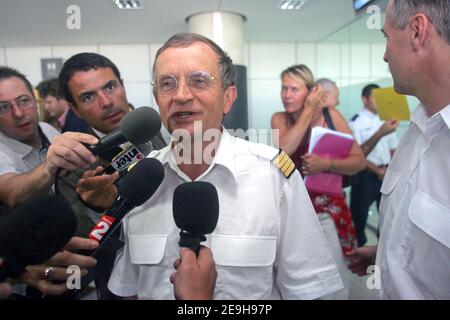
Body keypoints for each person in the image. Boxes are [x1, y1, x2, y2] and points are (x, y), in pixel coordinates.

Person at [95, 33, 343, 300]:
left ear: (228, 97)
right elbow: (130, 289)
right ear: (157, 98)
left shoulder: (273, 177)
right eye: (167, 83)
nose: (180, 95)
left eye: (199, 80)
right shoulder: (142, 181)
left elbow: (309, 292)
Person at [348, 0, 450, 299]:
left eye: (386, 37)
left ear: (417, 31)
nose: (385, 54)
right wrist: (387, 255)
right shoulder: (417, 131)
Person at [57, 52, 167, 299]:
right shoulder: (74, 162)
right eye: (88, 96)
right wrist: (100, 208)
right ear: (74, 108)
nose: (106, 101)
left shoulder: (160, 123)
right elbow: (86, 242)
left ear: (122, 84)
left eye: (110, 86)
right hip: (119, 276)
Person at [0, 66, 100, 298]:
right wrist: (49, 165)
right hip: (21, 283)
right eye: (3, 107)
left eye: (23, 101)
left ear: (35, 101)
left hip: (71, 263)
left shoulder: (48, 130)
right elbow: (11, 192)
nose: (18, 113)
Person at [271, 72, 365, 299]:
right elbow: (283, 150)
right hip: (291, 213)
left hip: (327, 213)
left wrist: (327, 164)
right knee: (296, 278)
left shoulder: (331, 115)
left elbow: (358, 161)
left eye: (294, 89)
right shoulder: (280, 119)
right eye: (284, 88)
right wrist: (308, 112)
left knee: (335, 279)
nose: (287, 95)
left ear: (311, 92)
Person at [348, 84, 399, 246]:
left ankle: (381, 247)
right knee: (359, 216)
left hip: (387, 174)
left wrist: (391, 170)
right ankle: (359, 247)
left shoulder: (386, 119)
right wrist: (377, 170)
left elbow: (393, 149)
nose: (379, 101)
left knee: (387, 215)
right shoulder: (355, 122)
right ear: (364, 99)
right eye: (374, 97)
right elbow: (355, 154)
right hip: (365, 176)